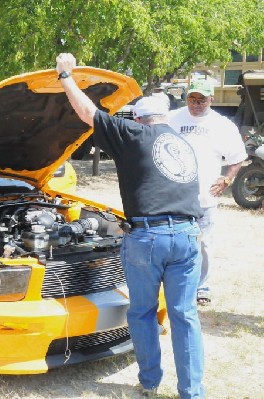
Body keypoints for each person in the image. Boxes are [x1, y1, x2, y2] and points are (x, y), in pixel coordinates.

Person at [56, 53, 205, 398]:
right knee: (185, 315)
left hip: (149, 238)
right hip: (187, 235)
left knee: (142, 311)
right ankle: (193, 392)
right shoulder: (181, 143)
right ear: (164, 118)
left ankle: (150, 381)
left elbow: (86, 113)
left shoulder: (133, 134)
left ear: (138, 119)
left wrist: (65, 75)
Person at [168, 80, 247, 306]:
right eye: (192, 99)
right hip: (174, 197)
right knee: (173, 243)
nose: (196, 104)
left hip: (205, 197)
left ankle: (202, 287)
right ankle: (175, 285)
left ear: (211, 99)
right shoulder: (172, 118)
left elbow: (237, 156)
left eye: (201, 100)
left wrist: (228, 178)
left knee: (203, 245)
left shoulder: (222, 125)